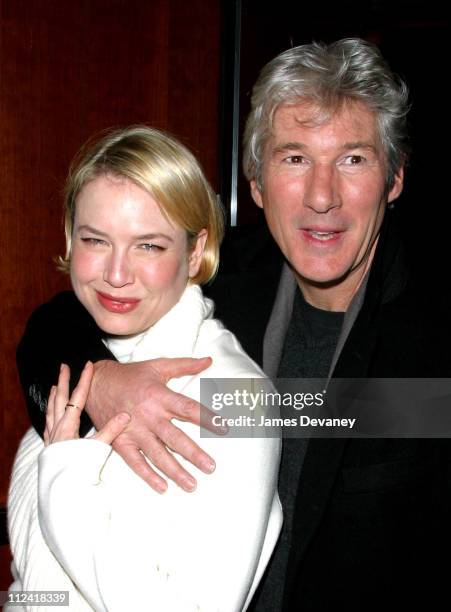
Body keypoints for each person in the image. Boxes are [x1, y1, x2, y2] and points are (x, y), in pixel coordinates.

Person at [15, 38, 451, 609]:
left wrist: (252, 407)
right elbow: (52, 326)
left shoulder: (432, 338)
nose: (322, 196)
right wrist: (104, 384)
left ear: (394, 180)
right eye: (294, 158)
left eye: (353, 158)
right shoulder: (220, 278)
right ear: (256, 184)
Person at [8, 126, 282, 612]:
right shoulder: (70, 363)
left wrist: (67, 478)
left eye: (149, 246)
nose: (116, 274)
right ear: (71, 237)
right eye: (95, 240)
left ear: (195, 251)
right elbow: (34, 583)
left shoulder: (237, 395)